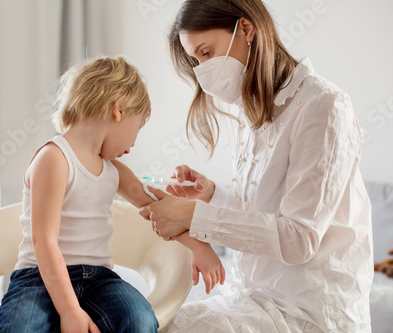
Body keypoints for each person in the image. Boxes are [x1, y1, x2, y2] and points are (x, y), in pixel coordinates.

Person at [138, 1, 373, 332]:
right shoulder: (253, 112)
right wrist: (212, 196)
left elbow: (299, 237)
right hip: (252, 297)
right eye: (195, 60)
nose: (202, 70)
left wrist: (194, 218)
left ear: (246, 29)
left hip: (307, 310)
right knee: (153, 323)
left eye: (206, 53)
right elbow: (267, 210)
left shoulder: (323, 106)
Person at [0, 55, 225, 333]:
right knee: (20, 327)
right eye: (138, 127)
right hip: (39, 278)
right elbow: (44, 240)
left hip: (97, 280)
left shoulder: (113, 170)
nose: (134, 142)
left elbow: (159, 211)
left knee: (140, 319)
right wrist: (69, 312)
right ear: (119, 111)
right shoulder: (54, 158)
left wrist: (199, 247)